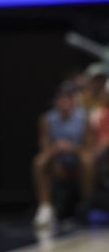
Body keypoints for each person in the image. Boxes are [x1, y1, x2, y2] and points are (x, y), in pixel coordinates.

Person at [32, 81, 92, 228]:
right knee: (39, 162)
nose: (64, 102)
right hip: (57, 158)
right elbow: (44, 146)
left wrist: (71, 148)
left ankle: (88, 203)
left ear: (73, 101)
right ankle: (45, 208)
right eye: (61, 99)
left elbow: (88, 147)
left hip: (77, 157)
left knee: (88, 160)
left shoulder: (84, 118)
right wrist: (56, 151)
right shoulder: (47, 119)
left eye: (67, 98)